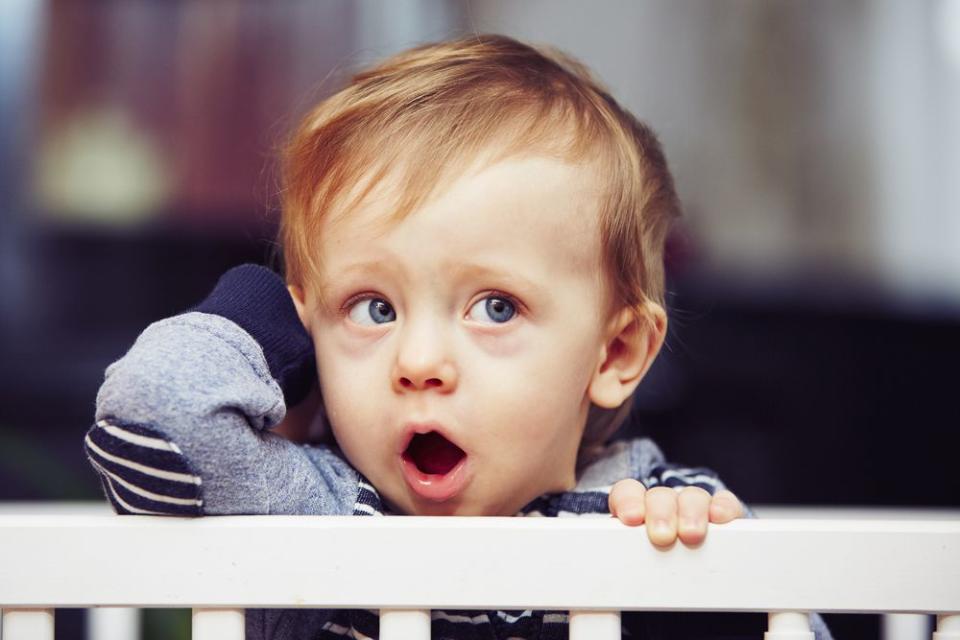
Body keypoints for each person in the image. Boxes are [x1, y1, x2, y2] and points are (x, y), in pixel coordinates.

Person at [83, 34, 831, 640]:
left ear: (615, 354)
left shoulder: (654, 514)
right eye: (373, 308)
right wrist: (272, 316)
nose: (418, 364)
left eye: (496, 308)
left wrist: (707, 574)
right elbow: (151, 411)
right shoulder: (314, 507)